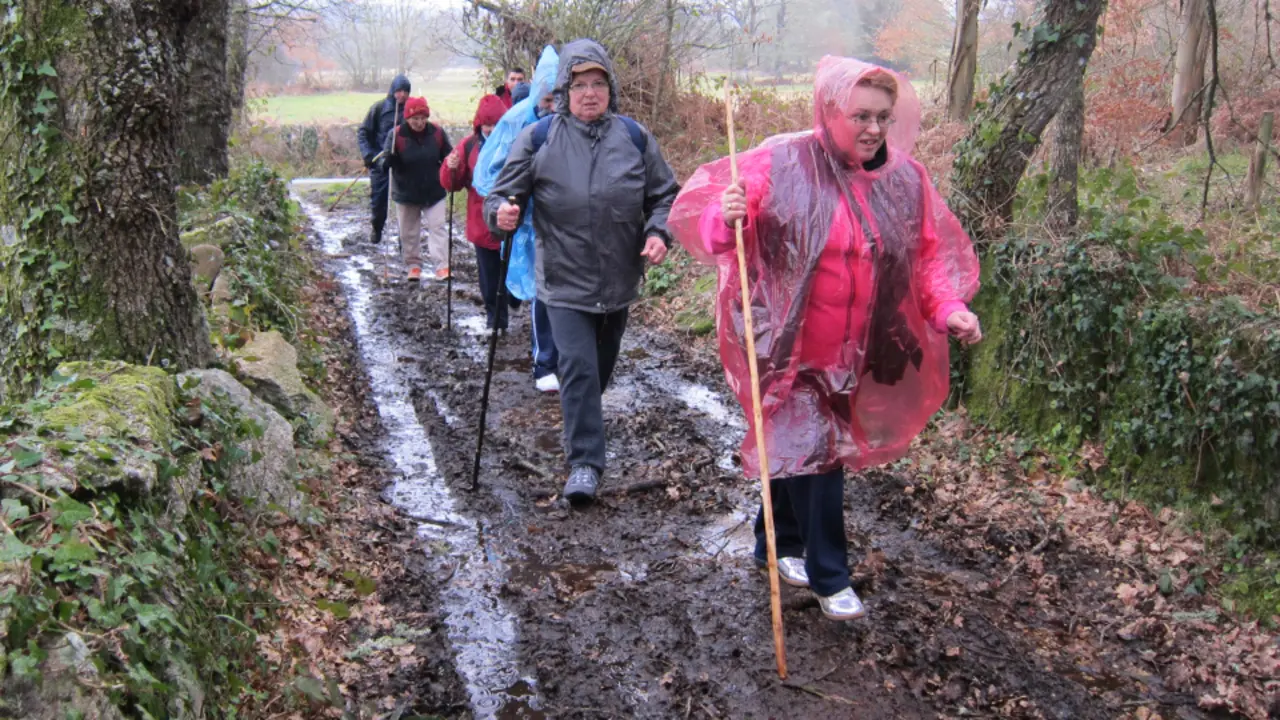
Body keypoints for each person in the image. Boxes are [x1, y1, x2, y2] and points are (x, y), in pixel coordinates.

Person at [668, 57, 982, 621]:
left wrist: (950, 308)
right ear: (830, 110)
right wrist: (727, 213)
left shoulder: (904, 180)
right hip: (785, 346)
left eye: (883, 117)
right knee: (820, 455)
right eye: (860, 115)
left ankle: (779, 543)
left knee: (796, 451)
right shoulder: (784, 162)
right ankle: (829, 574)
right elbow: (721, 231)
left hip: (858, 350)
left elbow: (928, 256)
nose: (873, 129)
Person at [485, 39, 679, 504]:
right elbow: (500, 194)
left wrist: (658, 233)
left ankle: (584, 434)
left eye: (597, 84)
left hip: (617, 283)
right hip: (562, 282)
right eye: (579, 85)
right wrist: (501, 213)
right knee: (576, 370)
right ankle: (585, 466)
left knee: (597, 374)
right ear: (564, 91)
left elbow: (665, 195)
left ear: (610, 87)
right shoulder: (539, 138)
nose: (589, 94)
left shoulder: (634, 138)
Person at [475, 46, 562, 394]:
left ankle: (562, 359)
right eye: (547, 97)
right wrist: (508, 203)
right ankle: (545, 362)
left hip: (564, 220)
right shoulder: (516, 121)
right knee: (541, 287)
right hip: (526, 218)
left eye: (558, 97)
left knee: (560, 290)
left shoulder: (578, 123)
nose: (551, 105)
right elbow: (491, 172)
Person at [440, 95, 515, 328]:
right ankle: (496, 321)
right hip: (481, 222)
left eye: (496, 125)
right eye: (487, 125)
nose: (491, 130)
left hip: (512, 220)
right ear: (479, 124)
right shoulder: (468, 146)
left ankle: (513, 298)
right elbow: (452, 184)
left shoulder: (516, 142)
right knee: (489, 278)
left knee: (512, 272)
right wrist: (450, 169)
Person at [382, 96, 453, 282]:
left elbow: (449, 155)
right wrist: (388, 160)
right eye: (415, 119)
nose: (420, 122)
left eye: (423, 118)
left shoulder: (437, 133)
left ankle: (442, 266)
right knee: (408, 232)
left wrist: (452, 166)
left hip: (434, 190)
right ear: (407, 118)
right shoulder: (396, 135)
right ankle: (413, 266)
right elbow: (383, 163)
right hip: (406, 192)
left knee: (437, 227)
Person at [357, 74, 410, 245]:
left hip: (404, 166)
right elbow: (363, 132)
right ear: (392, 91)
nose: (402, 95)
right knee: (379, 201)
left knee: (406, 205)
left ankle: (404, 239)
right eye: (399, 91)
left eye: (405, 91)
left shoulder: (412, 110)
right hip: (381, 163)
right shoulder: (379, 108)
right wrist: (369, 156)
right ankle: (377, 228)